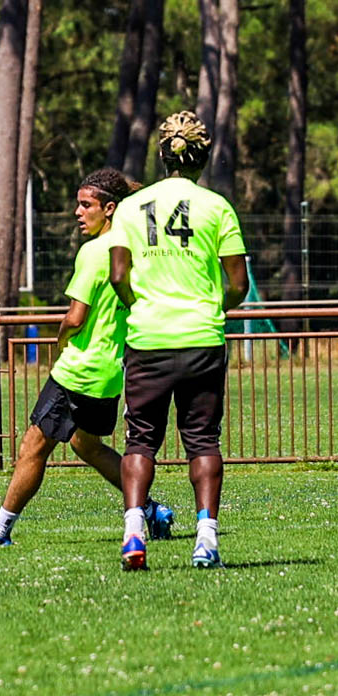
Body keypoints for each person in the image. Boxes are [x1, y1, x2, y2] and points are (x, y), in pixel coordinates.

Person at [0, 168, 173, 548]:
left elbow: (76, 317)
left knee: (33, 446)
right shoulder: (135, 249)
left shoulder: (94, 252)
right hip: (111, 371)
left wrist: (60, 341)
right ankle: (151, 510)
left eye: (86, 205)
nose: (78, 212)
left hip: (80, 368)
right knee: (85, 444)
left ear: (109, 209)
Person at [109, 111, 249, 570]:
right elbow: (239, 283)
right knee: (203, 441)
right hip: (201, 337)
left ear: (162, 154)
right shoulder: (217, 207)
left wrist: (140, 307)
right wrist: (214, 308)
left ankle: (134, 532)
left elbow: (118, 275)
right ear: (204, 156)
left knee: (140, 441)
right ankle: (206, 539)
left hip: (147, 337)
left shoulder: (131, 207)